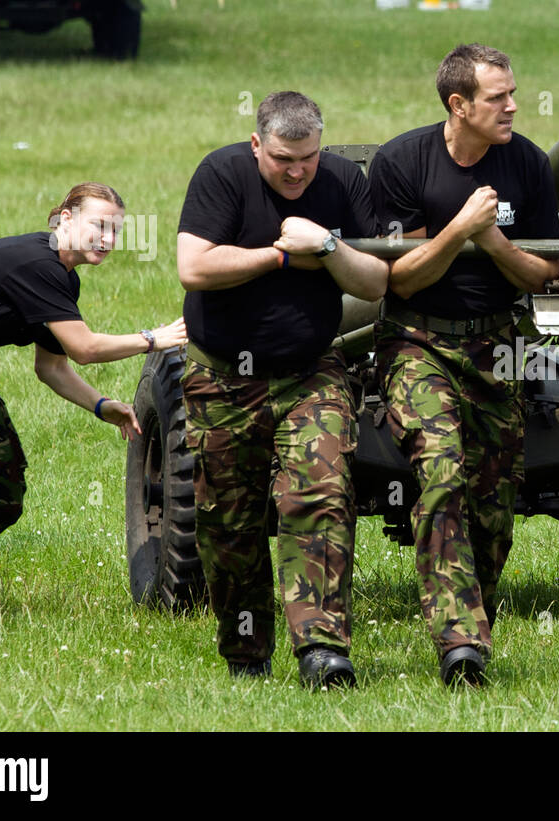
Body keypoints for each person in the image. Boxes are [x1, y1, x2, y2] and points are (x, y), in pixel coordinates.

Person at [176, 91, 388, 689]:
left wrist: (326, 245)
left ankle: (321, 649)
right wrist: (279, 255)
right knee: (228, 521)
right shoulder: (222, 174)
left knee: (320, 496)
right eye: (282, 159)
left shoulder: (344, 180)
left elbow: (375, 282)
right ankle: (246, 650)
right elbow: (194, 267)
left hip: (309, 370)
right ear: (256, 146)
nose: (297, 171)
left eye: (308, 158)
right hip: (221, 374)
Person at [369, 43, 559, 686]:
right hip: (417, 341)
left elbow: (546, 271)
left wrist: (493, 239)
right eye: (498, 97)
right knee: (443, 469)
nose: (513, 105)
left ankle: (472, 611)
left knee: (494, 501)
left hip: (499, 345)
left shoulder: (528, 165)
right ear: (459, 105)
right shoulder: (402, 162)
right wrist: (459, 230)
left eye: (512, 93)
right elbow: (400, 279)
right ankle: (461, 643)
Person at [0, 182, 187, 607]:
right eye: (99, 226)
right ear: (64, 219)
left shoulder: (63, 279)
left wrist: (102, 406)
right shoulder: (37, 264)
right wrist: (152, 338)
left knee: (3, 491)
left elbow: (51, 367)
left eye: (116, 231)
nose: (108, 240)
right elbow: (84, 349)